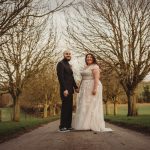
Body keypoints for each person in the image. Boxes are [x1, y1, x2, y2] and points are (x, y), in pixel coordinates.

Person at [73, 53, 112, 132]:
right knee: (85, 105)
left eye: (90, 57)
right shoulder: (85, 67)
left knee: (92, 105)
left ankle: (92, 124)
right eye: (87, 57)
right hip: (84, 87)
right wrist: (79, 88)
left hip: (92, 85)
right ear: (86, 59)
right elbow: (83, 79)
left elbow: (96, 78)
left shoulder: (95, 66)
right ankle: (85, 124)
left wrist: (95, 89)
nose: (89, 58)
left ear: (93, 58)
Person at [57, 50, 79, 132]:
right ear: (63, 55)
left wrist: (76, 87)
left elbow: (71, 78)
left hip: (71, 90)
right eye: (66, 54)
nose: (68, 55)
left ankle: (68, 125)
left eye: (69, 54)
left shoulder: (69, 65)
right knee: (65, 108)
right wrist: (64, 89)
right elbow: (61, 78)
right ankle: (62, 126)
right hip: (65, 90)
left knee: (69, 108)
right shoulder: (61, 64)